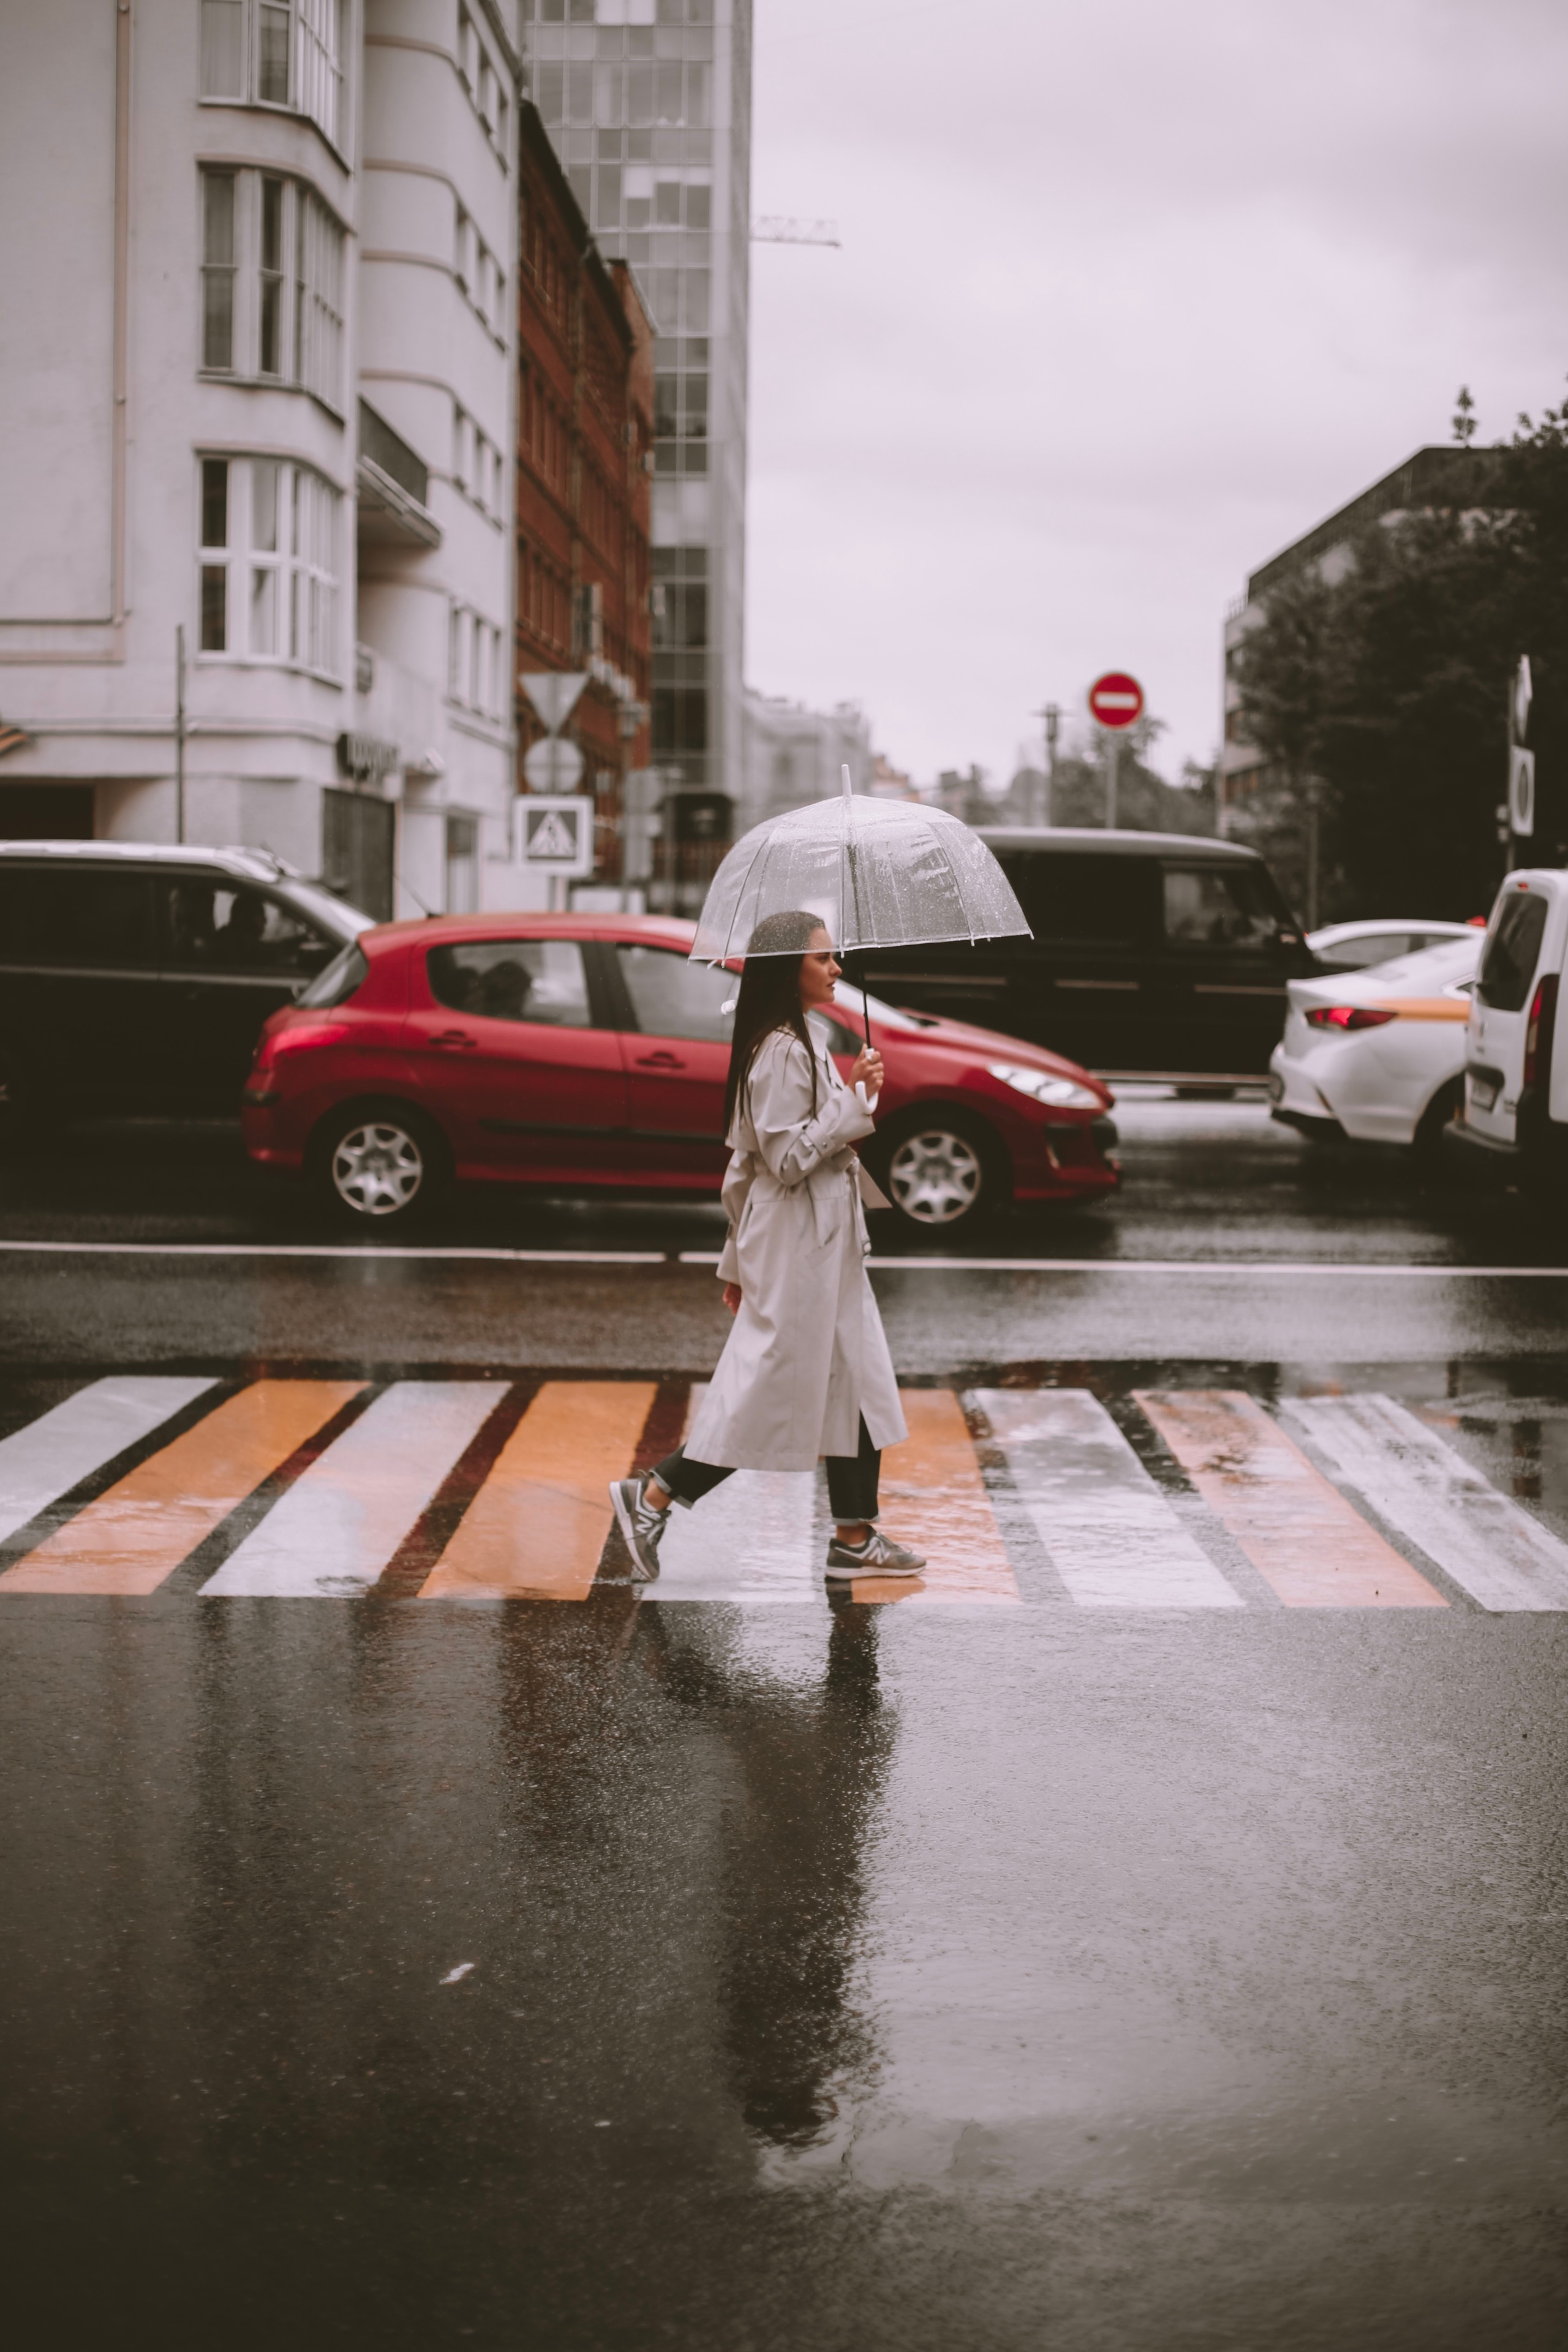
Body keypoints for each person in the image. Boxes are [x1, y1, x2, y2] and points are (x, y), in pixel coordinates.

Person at [610, 910, 925, 1585]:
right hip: (798, 1249)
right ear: (789, 969)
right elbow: (783, 1162)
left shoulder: (801, 1038)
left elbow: (765, 1163)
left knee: (857, 1379)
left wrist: (858, 1099)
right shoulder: (781, 1048)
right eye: (823, 958)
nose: (836, 968)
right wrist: (853, 1105)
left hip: (818, 1244)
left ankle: (853, 1537)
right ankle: (655, 1492)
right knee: (768, 1393)